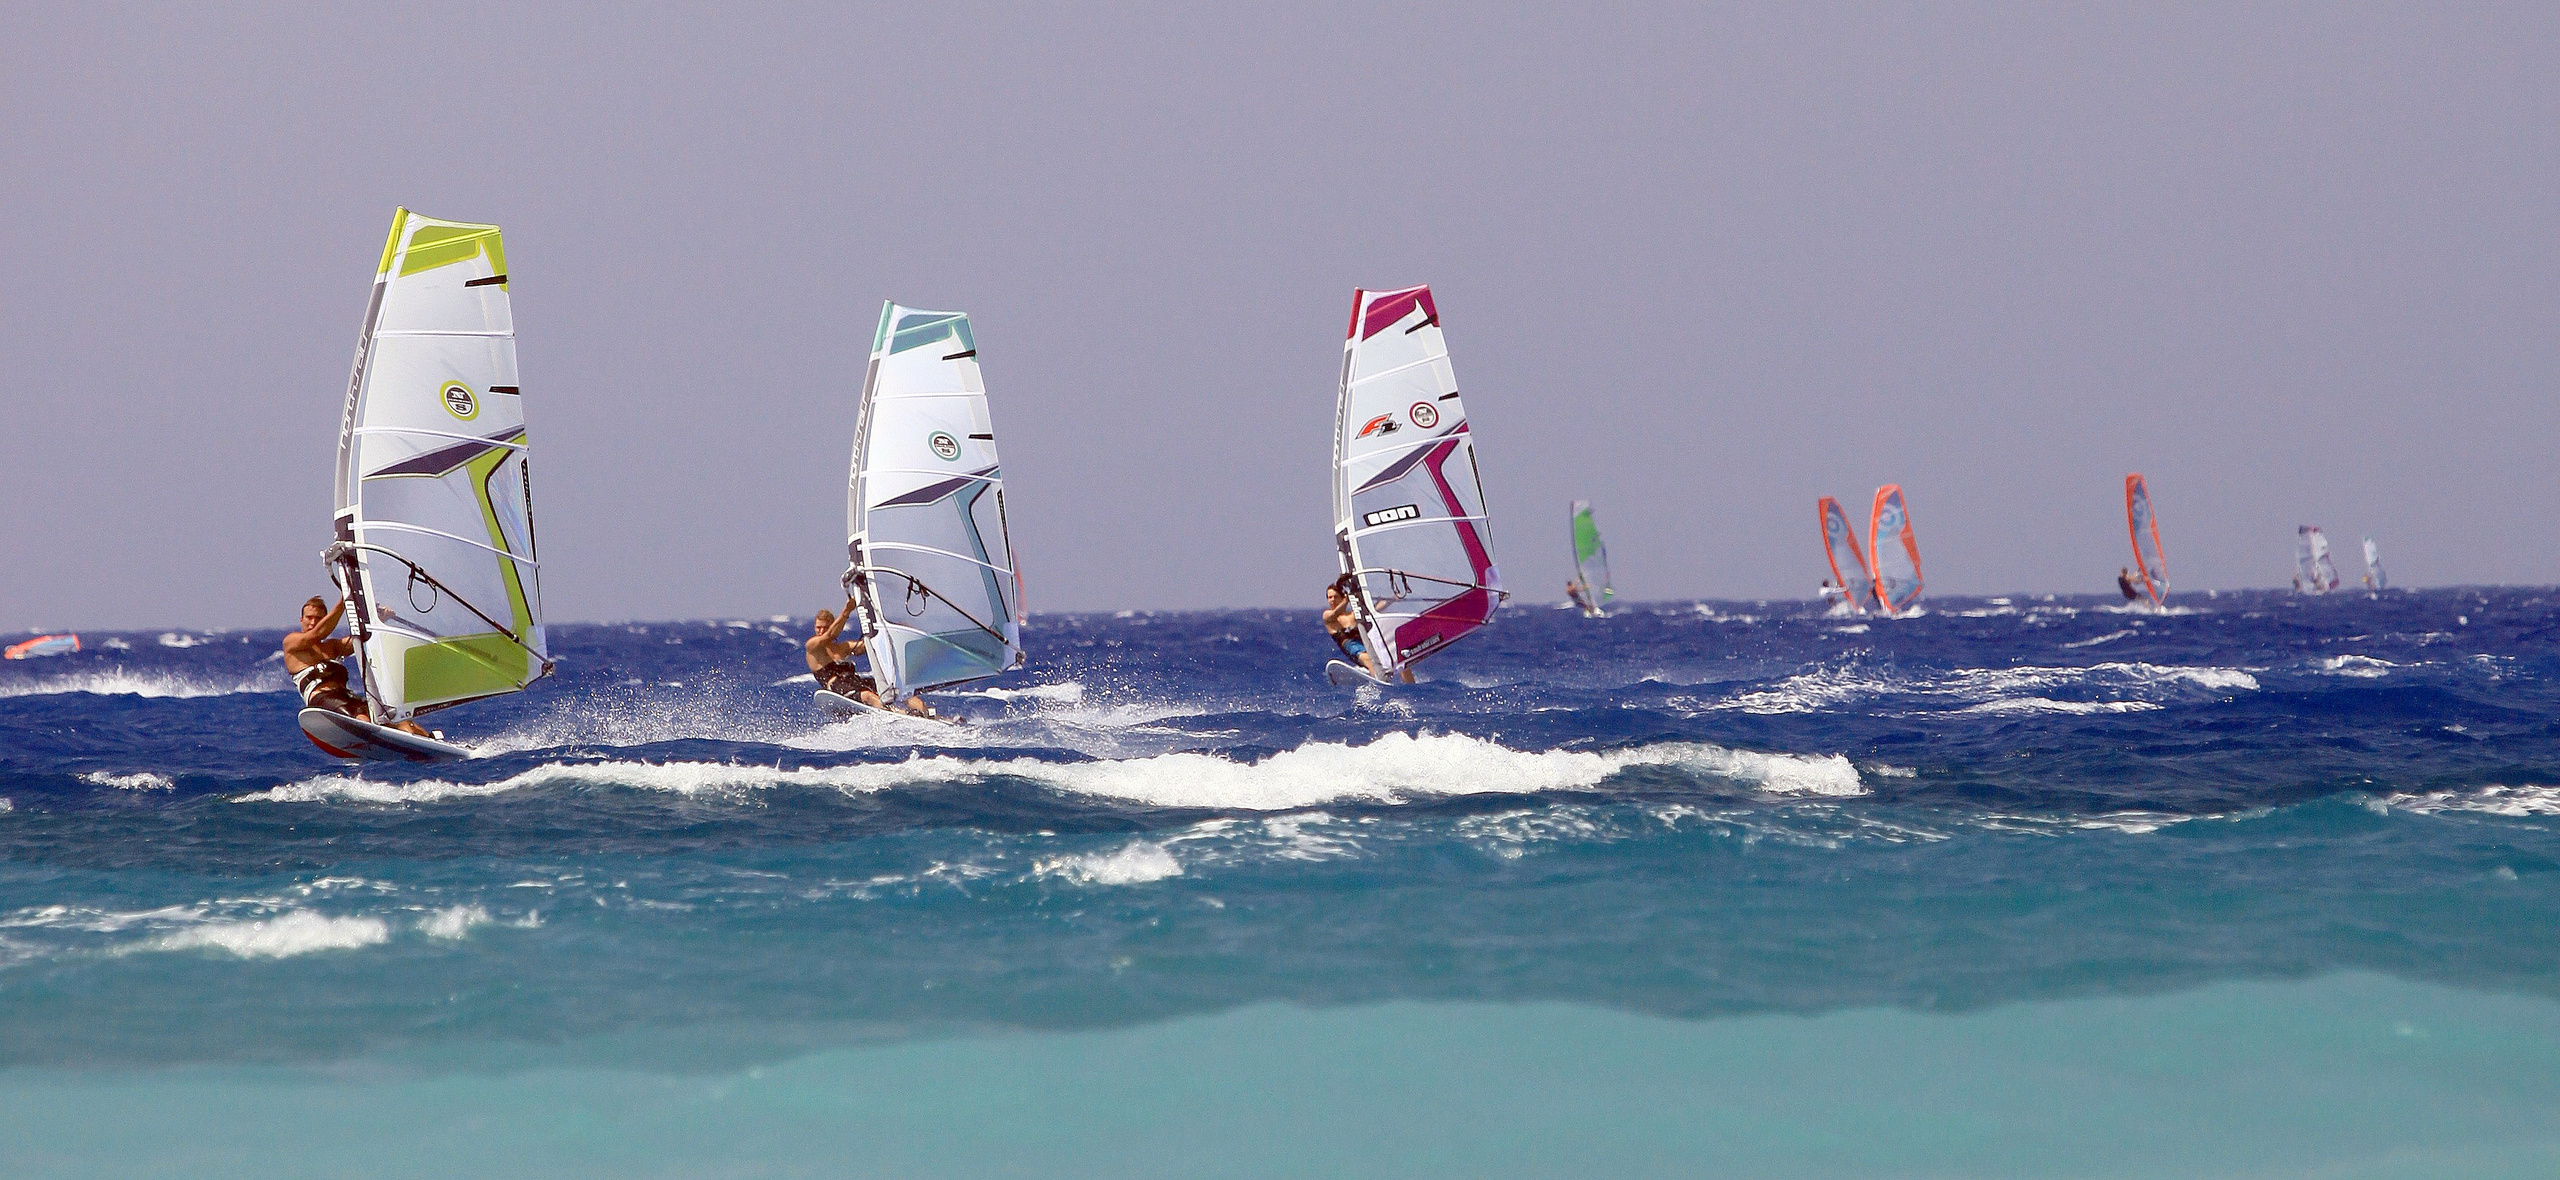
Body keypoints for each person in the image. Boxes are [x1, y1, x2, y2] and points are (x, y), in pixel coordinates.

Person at [283, 594, 430, 737]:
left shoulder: (331, 647)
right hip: (322, 699)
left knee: (400, 721)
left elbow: (360, 638)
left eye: (319, 618)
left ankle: (428, 740)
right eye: (309, 618)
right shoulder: (292, 643)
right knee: (362, 719)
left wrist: (379, 620)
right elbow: (318, 633)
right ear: (301, 620)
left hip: (348, 698)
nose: (313, 622)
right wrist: (343, 603)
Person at [806, 597, 939, 717]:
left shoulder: (843, 647)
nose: (821, 631)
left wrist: (893, 631)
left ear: (832, 625)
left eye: (825, 627)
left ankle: (931, 715)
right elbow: (830, 636)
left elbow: (869, 646)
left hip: (855, 682)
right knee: (868, 696)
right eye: (818, 628)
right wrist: (847, 611)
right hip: (837, 686)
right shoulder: (813, 646)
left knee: (894, 690)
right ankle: (903, 715)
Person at [1324, 577, 1412, 683]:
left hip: (1367, 644)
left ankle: (1411, 686)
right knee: (1368, 659)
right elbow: (1336, 613)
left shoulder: (1354, 615)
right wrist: (1347, 599)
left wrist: (1392, 598)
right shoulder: (1328, 616)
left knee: (1398, 657)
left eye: (1335, 597)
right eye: (1329, 597)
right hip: (1352, 648)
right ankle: (1380, 684)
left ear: (1341, 597)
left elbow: (1375, 609)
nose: (1332, 600)